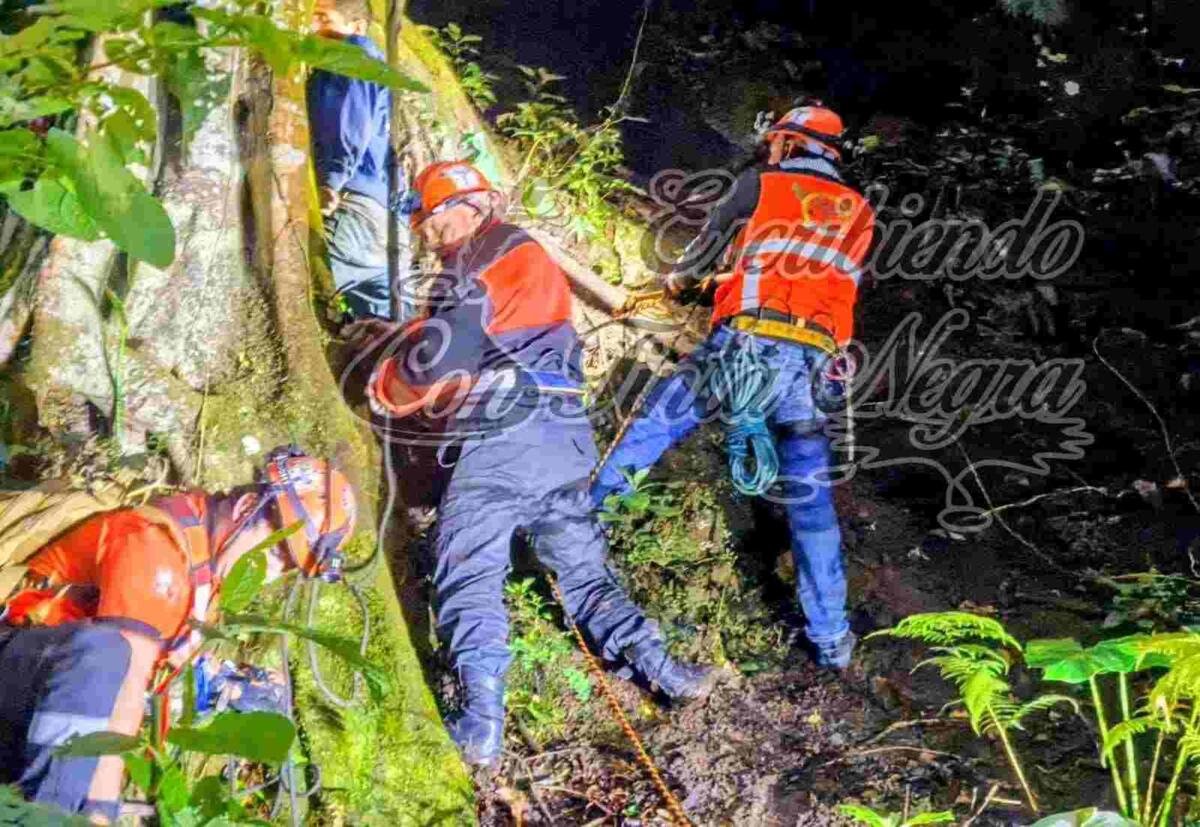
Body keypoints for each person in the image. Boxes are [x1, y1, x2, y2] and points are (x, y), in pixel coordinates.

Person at [365, 160, 716, 767]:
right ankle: (667, 673)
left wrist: (385, 385)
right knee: (583, 573)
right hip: (562, 437)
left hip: (509, 435)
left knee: (469, 566)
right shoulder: (519, 258)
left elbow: (438, 360)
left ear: (464, 210)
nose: (425, 233)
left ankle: (480, 724)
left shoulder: (477, 261)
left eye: (429, 219)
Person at [590, 105, 877, 670]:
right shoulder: (859, 211)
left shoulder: (760, 184)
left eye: (776, 142)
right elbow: (817, 275)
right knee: (810, 499)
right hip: (813, 360)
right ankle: (832, 639)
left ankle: (588, 519)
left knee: (659, 419)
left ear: (791, 143)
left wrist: (675, 282)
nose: (770, 150)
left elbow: (698, 256)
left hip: (746, 344)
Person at [0, 448, 357, 822]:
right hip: (20, 665)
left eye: (285, 565)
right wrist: (100, 813)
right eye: (277, 548)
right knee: (106, 654)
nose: (270, 569)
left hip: (39, 710)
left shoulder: (206, 579)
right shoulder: (156, 546)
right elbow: (123, 691)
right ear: (246, 506)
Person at [308, 0, 413, 323]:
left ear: (357, 26)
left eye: (323, 18)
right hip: (389, 226)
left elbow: (351, 122)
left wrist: (331, 181)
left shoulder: (354, 52)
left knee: (300, 288)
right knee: (389, 334)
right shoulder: (374, 68)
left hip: (353, 211)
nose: (313, 28)